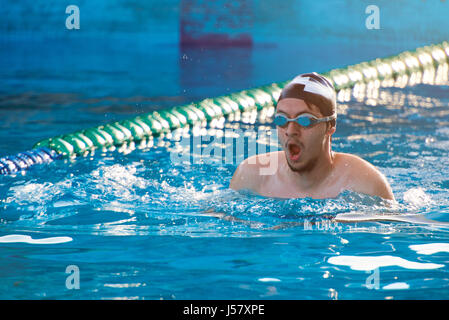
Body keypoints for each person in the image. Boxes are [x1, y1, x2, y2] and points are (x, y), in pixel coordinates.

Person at [229, 72, 395, 201]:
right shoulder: (251, 176)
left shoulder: (366, 185)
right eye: (282, 119)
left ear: (330, 126)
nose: (291, 130)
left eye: (305, 120)